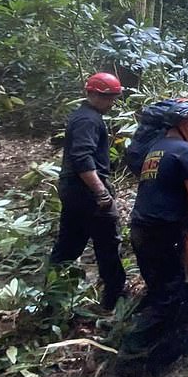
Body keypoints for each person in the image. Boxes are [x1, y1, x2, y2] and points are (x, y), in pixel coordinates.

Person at [115, 102, 188, 377]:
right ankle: (131, 355)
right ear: (186, 125)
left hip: (141, 228)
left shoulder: (153, 151)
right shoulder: (185, 150)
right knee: (170, 293)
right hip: (163, 232)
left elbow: (164, 189)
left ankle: (149, 337)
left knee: (159, 287)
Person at [49, 72, 126, 310]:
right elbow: (82, 158)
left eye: (113, 97)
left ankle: (51, 295)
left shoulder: (85, 116)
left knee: (70, 243)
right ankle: (113, 299)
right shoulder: (88, 120)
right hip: (86, 193)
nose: (111, 102)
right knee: (107, 243)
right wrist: (101, 193)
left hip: (74, 191)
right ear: (92, 93)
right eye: (106, 97)